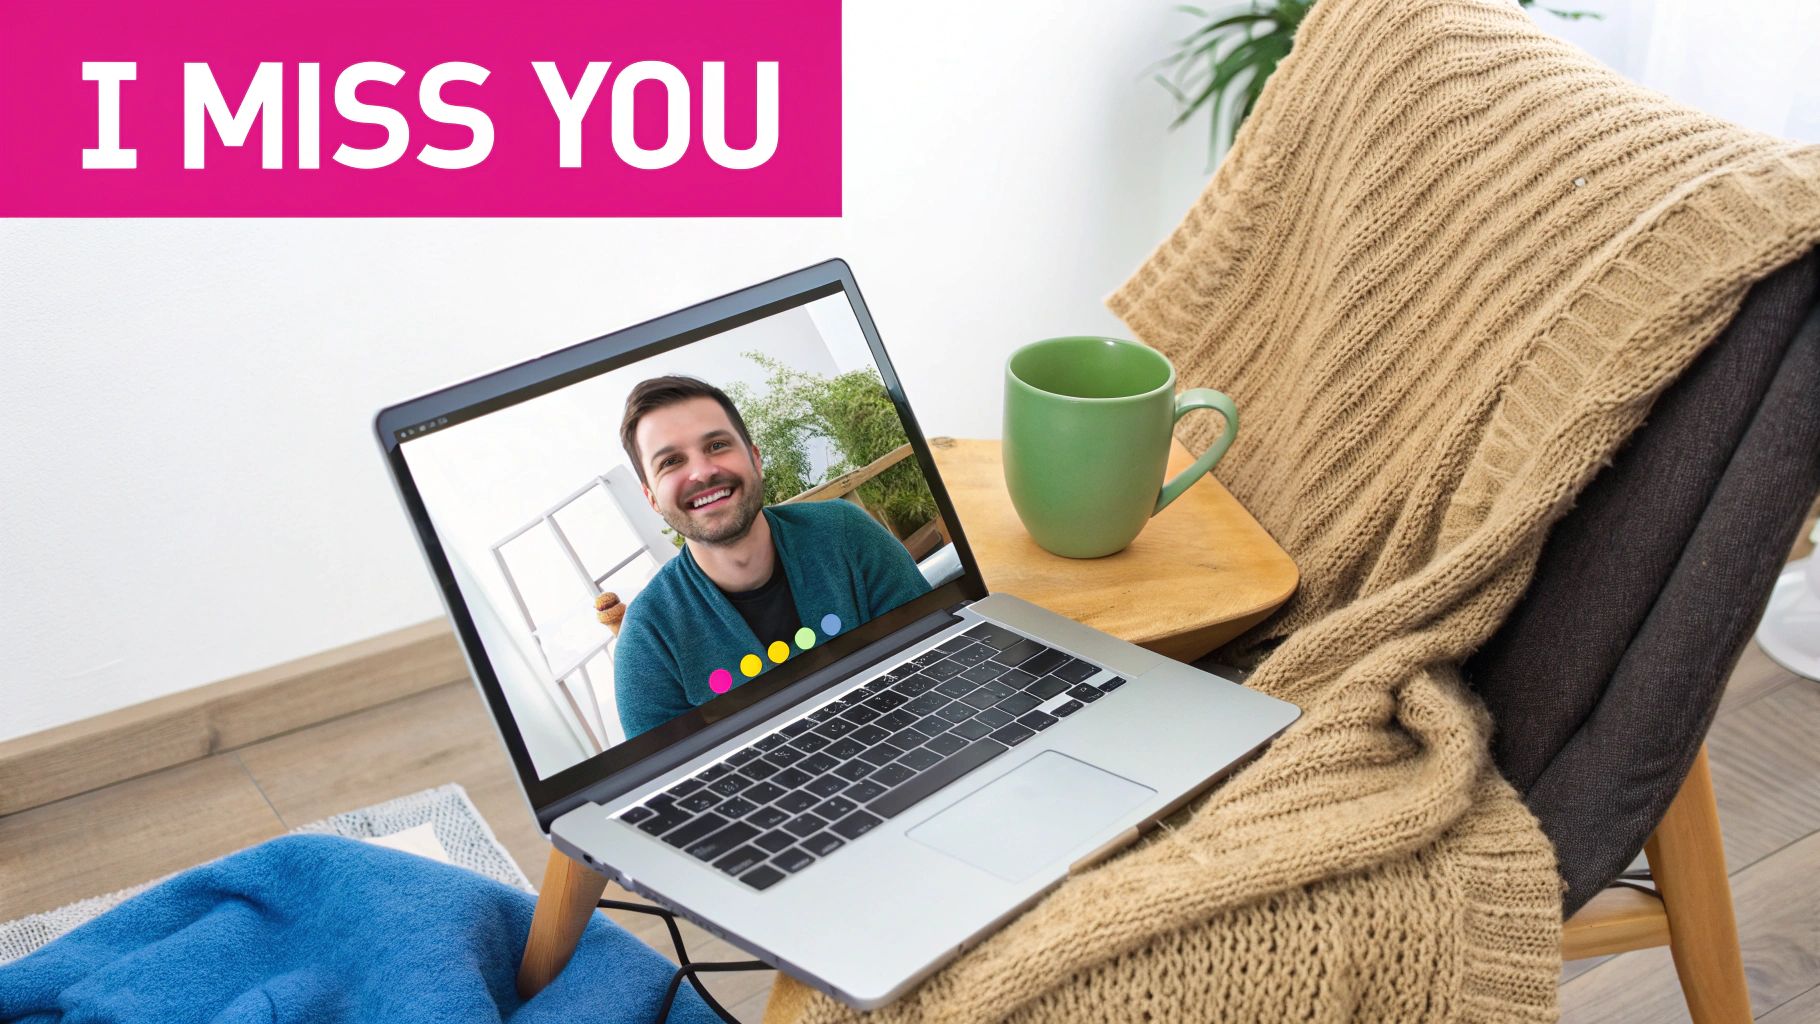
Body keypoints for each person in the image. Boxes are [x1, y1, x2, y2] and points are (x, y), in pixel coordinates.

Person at [611, 376, 932, 739]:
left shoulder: (846, 533)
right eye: (671, 461)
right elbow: (672, 783)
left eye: (717, 445)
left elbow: (933, 662)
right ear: (651, 498)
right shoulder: (647, 640)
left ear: (756, 459)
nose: (702, 472)